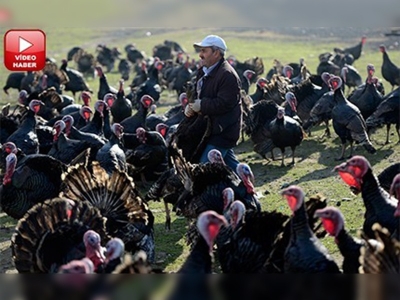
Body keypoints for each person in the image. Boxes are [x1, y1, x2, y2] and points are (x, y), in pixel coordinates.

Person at [185, 34, 242, 172]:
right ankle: (246, 190)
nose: (200, 55)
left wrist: (202, 105)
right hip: (211, 129)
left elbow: (225, 103)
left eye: (204, 51)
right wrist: (191, 106)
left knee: (205, 170)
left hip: (222, 131)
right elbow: (200, 94)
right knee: (231, 166)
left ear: (216, 53)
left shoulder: (227, 75)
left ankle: (241, 190)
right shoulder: (204, 71)